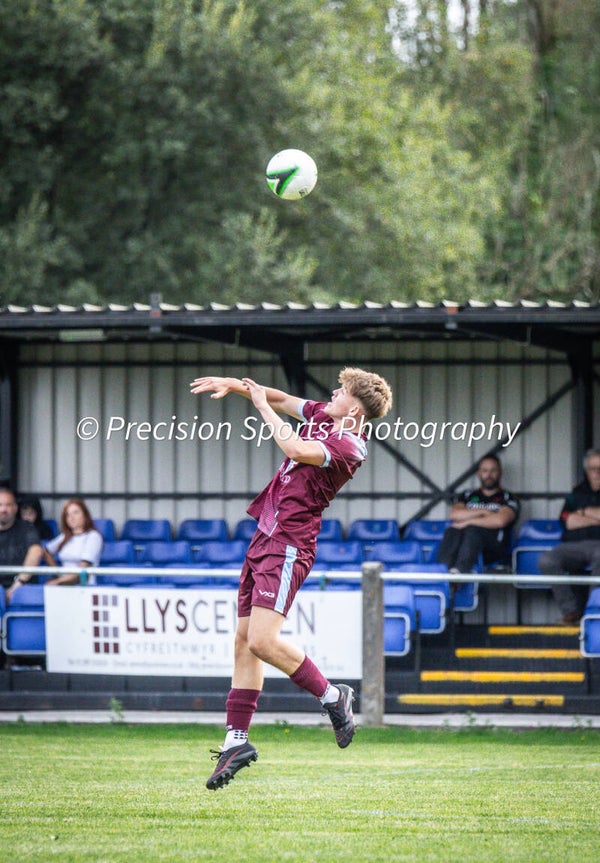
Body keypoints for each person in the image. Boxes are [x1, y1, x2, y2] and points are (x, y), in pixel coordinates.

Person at [190, 367, 393, 790]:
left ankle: (333, 696)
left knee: (262, 641)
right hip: (266, 534)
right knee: (244, 641)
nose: (332, 393)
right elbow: (283, 400)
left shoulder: (348, 445)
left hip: (289, 544)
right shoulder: (325, 415)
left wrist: (261, 407)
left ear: (353, 406)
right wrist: (240, 386)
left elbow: (295, 447)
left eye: (341, 391)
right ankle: (236, 741)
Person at [538, 448, 600, 624]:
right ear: (586, 471)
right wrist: (595, 517)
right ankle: (571, 612)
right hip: (574, 546)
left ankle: (594, 611)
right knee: (547, 560)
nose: (597, 473)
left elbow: (575, 518)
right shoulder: (576, 493)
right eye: (592, 468)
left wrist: (583, 513)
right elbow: (567, 521)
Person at [436, 455, 520, 575]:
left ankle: (458, 574)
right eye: (485, 471)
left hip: (494, 547)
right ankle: (442, 572)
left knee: (473, 530)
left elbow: (500, 520)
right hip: (465, 544)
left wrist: (468, 521)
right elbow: (455, 514)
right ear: (479, 473)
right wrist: (483, 512)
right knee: (452, 530)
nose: (489, 475)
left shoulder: (508, 497)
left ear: (500, 473)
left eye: (493, 470)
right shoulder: (467, 495)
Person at [40, 499, 103, 585]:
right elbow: (46, 551)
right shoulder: (64, 537)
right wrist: (57, 573)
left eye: (76, 513)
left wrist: (58, 581)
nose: (71, 518)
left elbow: (83, 568)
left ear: (85, 515)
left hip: (84, 586)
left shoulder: (93, 536)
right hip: (64, 584)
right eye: (67, 515)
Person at [0, 487, 43, 601]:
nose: (3, 509)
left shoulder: (27, 528)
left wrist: (18, 583)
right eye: (0, 505)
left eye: (8, 505)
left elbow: (36, 551)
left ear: (15, 508)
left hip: (21, 589)